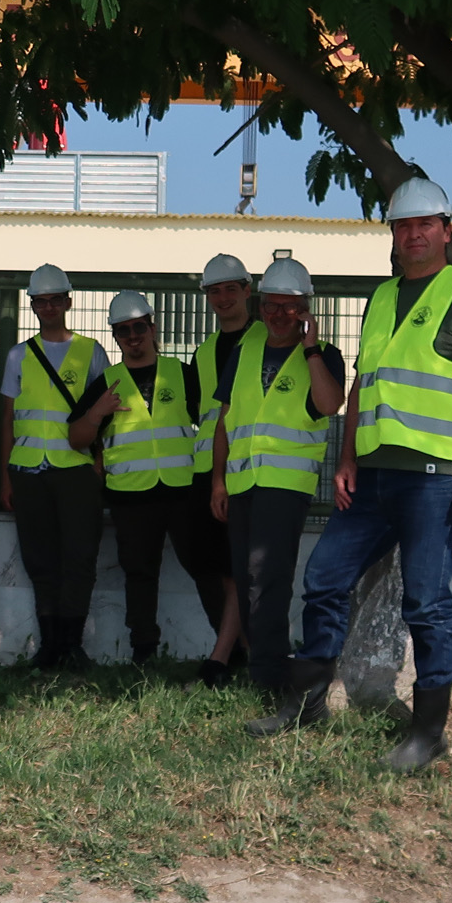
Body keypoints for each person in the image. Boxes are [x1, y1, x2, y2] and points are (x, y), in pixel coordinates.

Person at [289, 177, 452, 773]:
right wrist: (346, 458)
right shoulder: (382, 297)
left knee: (426, 604)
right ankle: (307, 702)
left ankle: (428, 733)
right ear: (393, 234)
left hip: (435, 479)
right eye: (403, 225)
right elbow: (365, 385)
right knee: (323, 578)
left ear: (446, 231)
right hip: (372, 478)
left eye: (424, 224)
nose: (413, 234)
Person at [209, 257, 346, 717]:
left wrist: (310, 350)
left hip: (285, 485)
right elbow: (225, 420)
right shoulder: (245, 349)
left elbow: (329, 405)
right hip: (241, 482)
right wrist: (218, 480)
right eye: (271, 305)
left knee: (267, 579)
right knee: (246, 577)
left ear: (305, 309)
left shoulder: (323, 355)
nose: (279, 314)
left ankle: (271, 678)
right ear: (261, 305)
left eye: (290, 307)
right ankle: (267, 668)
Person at [67, 291, 199, 665]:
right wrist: (96, 413)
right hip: (130, 495)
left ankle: (230, 648)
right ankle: (144, 651)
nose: (133, 336)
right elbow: (76, 437)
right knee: (140, 574)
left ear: (152, 328)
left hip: (182, 490)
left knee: (204, 566)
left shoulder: (181, 373)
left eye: (139, 327)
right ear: (115, 336)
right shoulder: (108, 382)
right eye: (123, 330)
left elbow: (212, 421)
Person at [0, 264, 109, 671]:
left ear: (68, 302)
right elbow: (8, 419)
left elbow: (105, 416)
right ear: (32, 306)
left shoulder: (91, 352)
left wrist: (99, 465)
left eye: (55, 300)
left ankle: (71, 644)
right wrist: (6, 476)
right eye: (40, 301)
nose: (48, 307)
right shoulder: (18, 355)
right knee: (40, 560)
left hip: (76, 469)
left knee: (79, 558)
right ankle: (49, 646)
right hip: (28, 471)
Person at [185, 255, 257, 687]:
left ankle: (220, 659)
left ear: (248, 291)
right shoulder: (204, 352)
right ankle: (244, 652)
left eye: (231, 288)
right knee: (218, 567)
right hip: (208, 471)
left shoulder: (266, 339)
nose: (223, 297)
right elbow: (203, 413)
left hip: (250, 467)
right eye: (215, 291)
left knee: (238, 569)